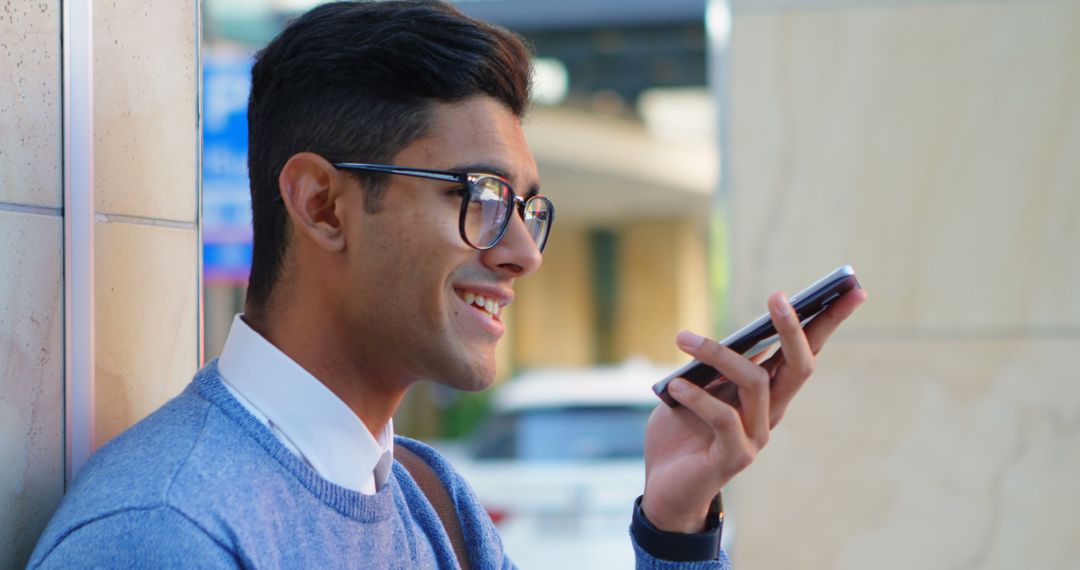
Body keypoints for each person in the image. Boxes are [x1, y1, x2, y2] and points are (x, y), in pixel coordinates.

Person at [29, 1, 866, 568]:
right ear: (323, 205)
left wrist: (674, 524)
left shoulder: (433, 498)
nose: (522, 254)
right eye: (480, 197)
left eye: (528, 208)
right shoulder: (165, 533)